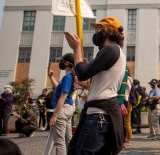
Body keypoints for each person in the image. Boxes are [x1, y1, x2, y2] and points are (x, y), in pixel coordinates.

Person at [64, 17, 126, 154]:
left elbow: (83, 72)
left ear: (107, 31)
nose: (96, 33)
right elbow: (104, 84)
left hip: (98, 116)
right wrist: (88, 86)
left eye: (98, 29)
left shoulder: (110, 49)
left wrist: (76, 49)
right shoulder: (116, 51)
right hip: (101, 115)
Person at [46, 53, 75, 155]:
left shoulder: (67, 77)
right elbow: (59, 87)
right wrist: (51, 77)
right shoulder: (69, 76)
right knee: (68, 139)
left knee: (59, 142)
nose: (60, 63)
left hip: (62, 109)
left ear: (67, 63)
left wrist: (54, 115)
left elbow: (63, 97)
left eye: (62, 60)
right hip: (68, 109)